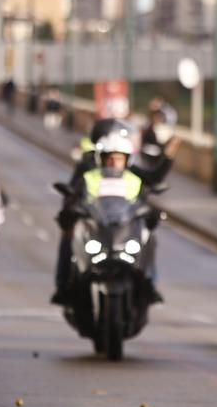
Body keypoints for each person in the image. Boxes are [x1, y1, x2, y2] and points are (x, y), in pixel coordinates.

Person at [52, 126, 159, 306]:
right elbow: (76, 197)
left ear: (126, 160)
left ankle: (150, 285)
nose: (113, 163)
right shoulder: (89, 177)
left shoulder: (134, 179)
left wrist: (151, 214)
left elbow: (144, 201)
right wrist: (71, 209)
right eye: (109, 158)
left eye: (118, 158)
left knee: (149, 240)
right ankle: (64, 285)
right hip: (97, 229)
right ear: (101, 158)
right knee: (69, 243)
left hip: (124, 231)